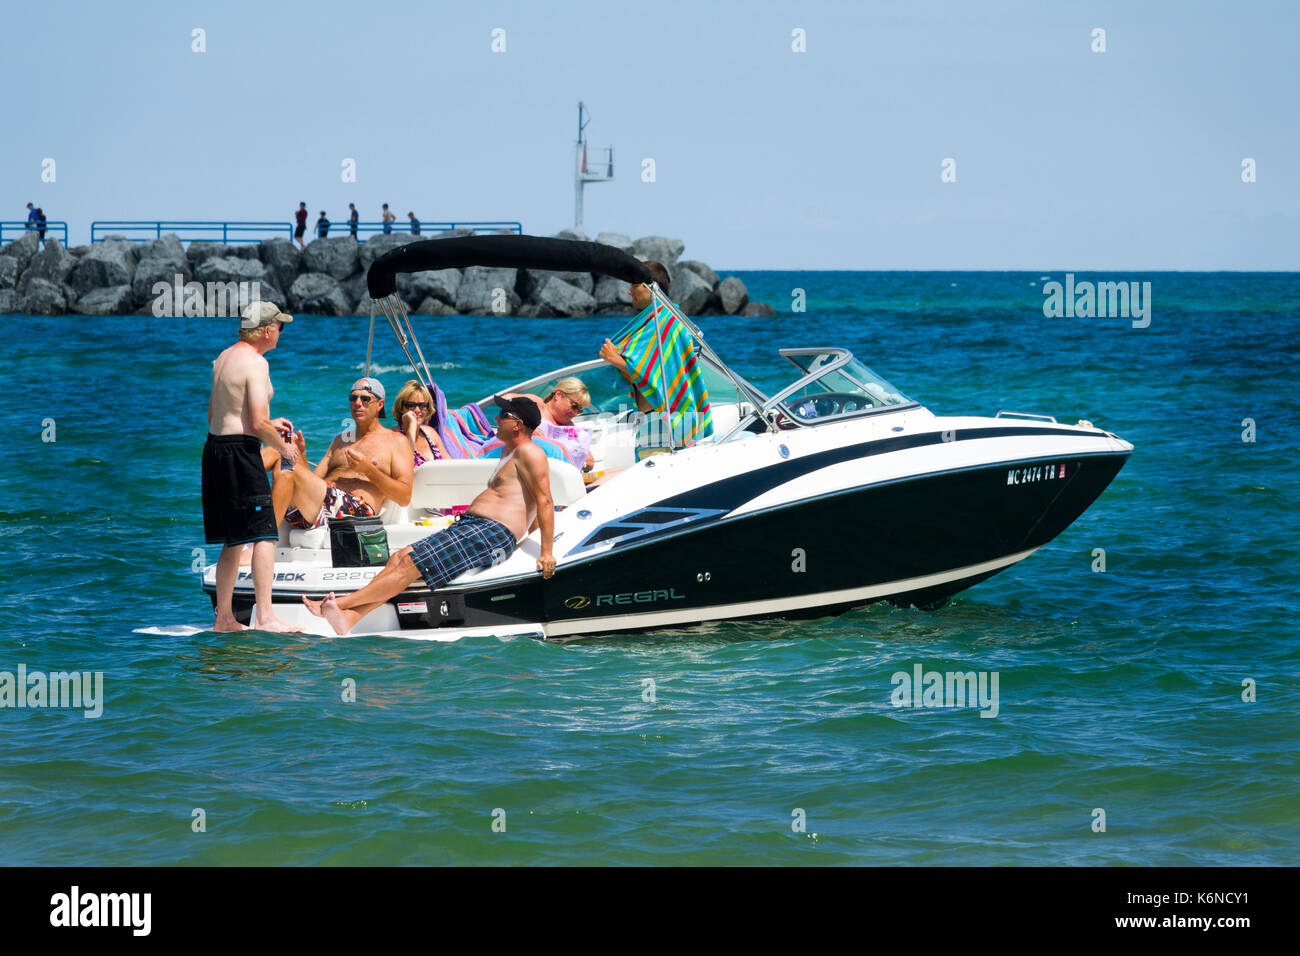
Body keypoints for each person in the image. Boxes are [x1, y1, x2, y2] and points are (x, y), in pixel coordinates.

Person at [303, 396, 555, 635]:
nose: (497, 419)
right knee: (399, 558)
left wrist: (545, 551)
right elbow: (526, 499)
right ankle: (350, 618)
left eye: (503, 415)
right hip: (473, 526)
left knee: (411, 563)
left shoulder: (530, 453)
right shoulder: (507, 452)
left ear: (518, 424)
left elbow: (544, 500)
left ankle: (341, 603)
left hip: (490, 533)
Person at [203, 301, 302, 633]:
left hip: (215, 449)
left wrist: (265, 426)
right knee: (264, 534)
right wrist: (285, 448)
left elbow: (217, 415)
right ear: (267, 330)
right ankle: (265, 616)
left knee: (233, 538)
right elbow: (259, 423)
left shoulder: (223, 359)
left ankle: (224, 618)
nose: (281, 333)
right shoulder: (257, 363)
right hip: (240, 454)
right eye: (280, 327)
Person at [273, 377, 413, 531]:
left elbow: (404, 497)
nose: (357, 403)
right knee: (281, 449)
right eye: (353, 398)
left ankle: (263, 540)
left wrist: (369, 471)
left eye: (365, 399)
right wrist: (302, 454)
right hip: (317, 508)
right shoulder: (339, 441)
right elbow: (313, 480)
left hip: (354, 513)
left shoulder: (396, 441)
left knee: (286, 466)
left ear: (380, 404)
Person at [598, 260, 672, 416]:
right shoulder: (655, 320)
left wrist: (613, 358)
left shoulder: (663, 322)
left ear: (652, 287)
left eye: (634, 286)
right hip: (648, 412)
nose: (629, 292)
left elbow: (653, 374)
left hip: (658, 415)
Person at [505, 376, 594, 472]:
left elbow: (590, 462)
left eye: (579, 410)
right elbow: (506, 399)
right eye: (574, 406)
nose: (575, 413)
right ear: (558, 395)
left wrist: (583, 463)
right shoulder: (538, 406)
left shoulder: (569, 426)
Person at [392, 380, 448, 466]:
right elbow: (405, 466)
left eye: (422, 406)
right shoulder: (392, 436)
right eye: (411, 405)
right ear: (401, 407)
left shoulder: (430, 433)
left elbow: (450, 463)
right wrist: (412, 427)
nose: (417, 410)